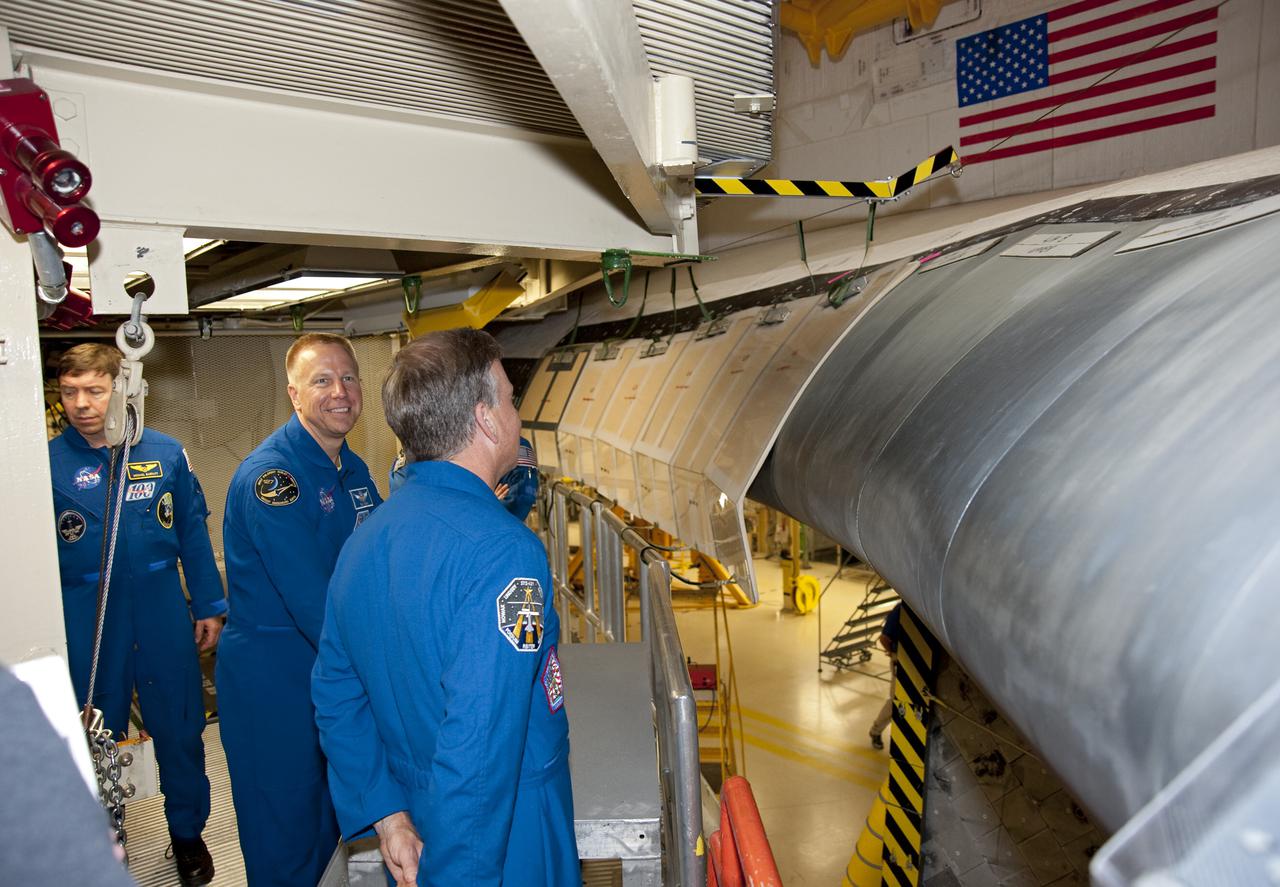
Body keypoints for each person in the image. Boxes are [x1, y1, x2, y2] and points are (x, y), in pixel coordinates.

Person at [313, 328, 578, 887]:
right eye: (508, 398)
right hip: (500, 843)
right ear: (484, 418)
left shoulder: (365, 541)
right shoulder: (506, 554)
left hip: (415, 837)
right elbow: (480, 749)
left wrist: (387, 817)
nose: (515, 413)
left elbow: (336, 696)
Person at [48, 343, 224, 886]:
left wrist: (209, 603)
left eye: (94, 390)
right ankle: (101, 840)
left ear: (120, 389)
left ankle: (188, 837)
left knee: (180, 726)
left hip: (159, 607)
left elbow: (192, 532)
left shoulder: (165, 453)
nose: (82, 403)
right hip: (84, 613)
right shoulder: (45, 465)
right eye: (70, 391)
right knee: (91, 733)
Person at [218, 332, 383, 885]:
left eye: (349, 378)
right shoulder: (273, 480)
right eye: (322, 380)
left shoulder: (353, 470)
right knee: (286, 835)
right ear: (293, 394)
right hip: (276, 682)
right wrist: (385, 668)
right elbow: (311, 598)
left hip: (332, 670)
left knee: (336, 828)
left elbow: (381, 562)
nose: (340, 392)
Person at [390, 434, 539, 522]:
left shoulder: (509, 444)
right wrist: (484, 505)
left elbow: (519, 502)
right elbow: (413, 519)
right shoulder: (410, 460)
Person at [869, 603, 902, 750]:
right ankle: (876, 730)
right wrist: (892, 654)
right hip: (900, 659)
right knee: (895, 701)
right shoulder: (901, 609)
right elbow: (883, 638)